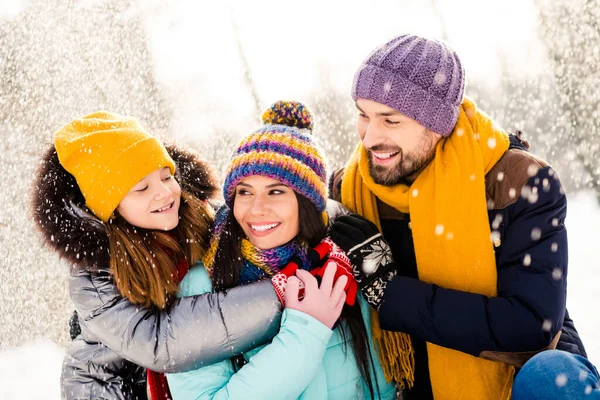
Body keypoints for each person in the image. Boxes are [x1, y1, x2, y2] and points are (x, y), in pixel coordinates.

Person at [326, 34, 598, 399]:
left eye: (390, 121)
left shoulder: (519, 183)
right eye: (363, 115)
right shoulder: (351, 191)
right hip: (411, 387)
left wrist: (392, 292)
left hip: (517, 381)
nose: (370, 137)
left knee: (553, 375)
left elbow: (532, 327)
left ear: (436, 123)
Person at [32, 112, 342, 399]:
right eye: (141, 188)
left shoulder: (198, 218)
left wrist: (337, 210)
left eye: (167, 176)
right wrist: (283, 291)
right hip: (115, 388)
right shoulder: (96, 278)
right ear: (109, 208)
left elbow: (262, 221)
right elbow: (162, 341)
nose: (165, 192)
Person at [166, 101, 397, 399]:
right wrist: (305, 331)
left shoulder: (339, 261)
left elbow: (380, 385)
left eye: (276, 191)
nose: (256, 209)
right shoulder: (201, 285)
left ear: (308, 203)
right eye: (245, 192)